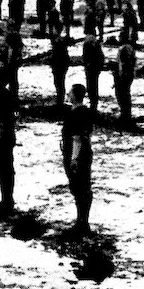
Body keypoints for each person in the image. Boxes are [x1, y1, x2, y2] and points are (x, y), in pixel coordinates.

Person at [62, 84, 94, 234]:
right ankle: (82, 221)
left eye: (70, 93)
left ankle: (82, 223)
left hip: (76, 154)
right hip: (86, 153)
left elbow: (77, 138)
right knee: (83, 187)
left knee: (79, 188)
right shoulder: (86, 112)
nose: (68, 94)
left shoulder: (75, 114)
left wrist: (74, 159)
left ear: (75, 95)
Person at [114, 30, 137, 123]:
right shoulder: (130, 48)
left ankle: (124, 113)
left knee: (122, 94)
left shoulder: (123, 49)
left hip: (124, 74)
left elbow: (124, 63)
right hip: (130, 73)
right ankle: (127, 113)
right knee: (126, 93)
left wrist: (121, 74)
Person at [82, 25, 103, 112]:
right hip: (95, 67)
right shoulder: (96, 42)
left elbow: (85, 56)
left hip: (90, 67)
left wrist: (86, 64)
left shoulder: (87, 42)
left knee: (91, 86)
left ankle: (93, 103)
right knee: (94, 85)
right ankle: (94, 103)